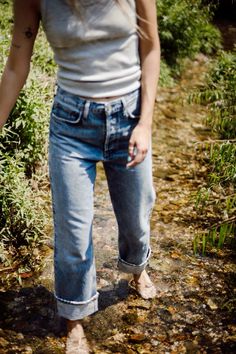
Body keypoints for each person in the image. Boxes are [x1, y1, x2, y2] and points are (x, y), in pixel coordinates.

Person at [0, 0, 160, 352]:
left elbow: (150, 48)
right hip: (71, 127)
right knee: (73, 232)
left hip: (129, 117)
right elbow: (16, 63)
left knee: (135, 219)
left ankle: (137, 269)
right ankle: (75, 317)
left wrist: (145, 124)